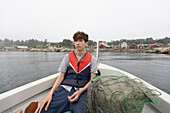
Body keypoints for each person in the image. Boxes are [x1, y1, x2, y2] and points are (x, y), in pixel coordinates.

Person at [35, 31, 97, 113]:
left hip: (82, 90)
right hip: (65, 89)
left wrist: (80, 92)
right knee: (44, 109)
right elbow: (61, 76)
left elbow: (92, 80)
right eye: (76, 41)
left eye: (80, 41)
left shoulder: (92, 59)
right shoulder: (67, 57)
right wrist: (50, 94)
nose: (77, 43)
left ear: (86, 43)